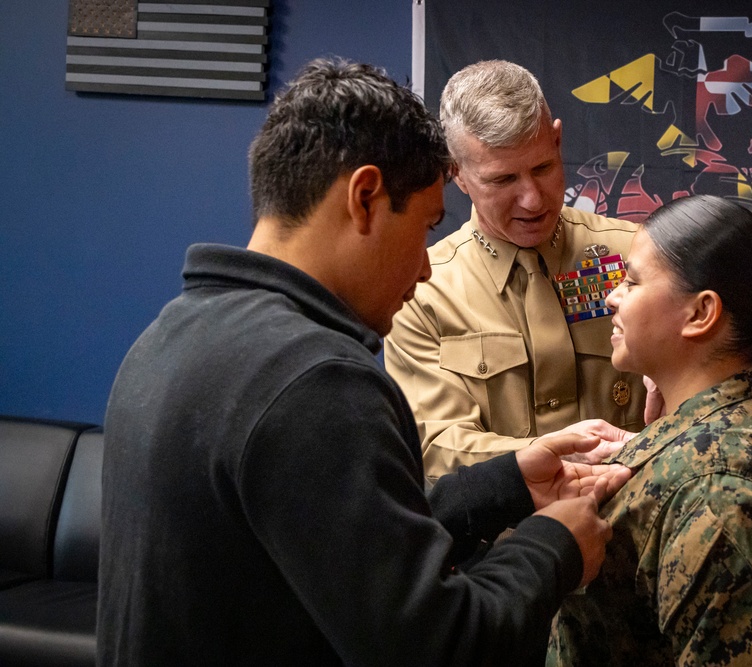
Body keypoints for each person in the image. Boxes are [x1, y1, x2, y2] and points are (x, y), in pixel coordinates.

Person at [97, 57, 633, 666]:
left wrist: (505, 482)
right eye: (427, 226)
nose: (427, 265)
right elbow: (439, 645)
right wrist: (555, 544)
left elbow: (337, 542)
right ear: (366, 198)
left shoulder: (170, 337)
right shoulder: (313, 378)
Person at [548, 195, 752, 666]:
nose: (611, 296)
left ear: (701, 313)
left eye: (633, 282)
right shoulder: (739, 423)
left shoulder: (715, 493)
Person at [385, 60, 646, 480]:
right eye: (503, 179)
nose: (532, 199)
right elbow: (435, 446)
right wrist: (556, 457)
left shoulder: (635, 254)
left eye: (542, 168)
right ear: (456, 172)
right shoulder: (422, 292)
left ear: (557, 141)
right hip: (506, 539)